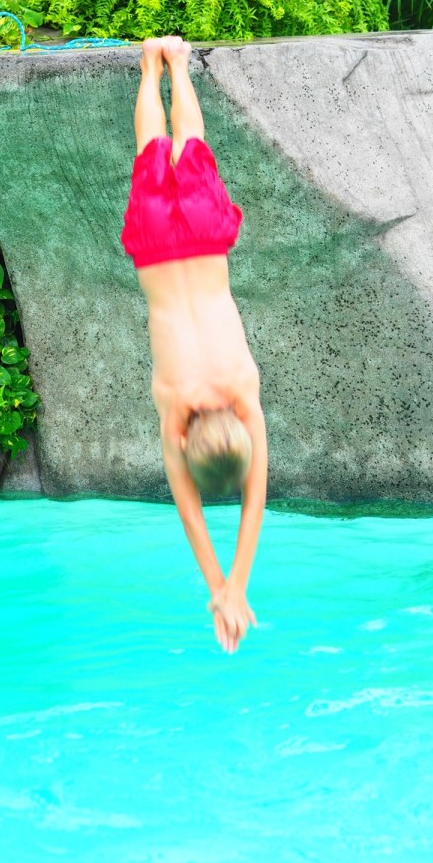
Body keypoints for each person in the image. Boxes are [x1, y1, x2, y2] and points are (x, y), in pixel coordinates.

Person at [121, 36, 268, 654]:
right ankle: (148, 68)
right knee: (152, 151)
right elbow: (189, 512)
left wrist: (239, 583)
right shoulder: (172, 402)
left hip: (206, 244)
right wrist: (218, 589)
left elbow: (255, 494)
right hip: (156, 249)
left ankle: (176, 66)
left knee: (192, 148)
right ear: (183, 442)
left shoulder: (242, 388)